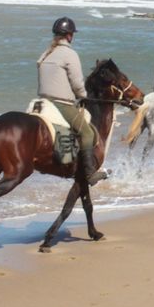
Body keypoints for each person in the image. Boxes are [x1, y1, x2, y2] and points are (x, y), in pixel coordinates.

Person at [36, 17, 107, 185]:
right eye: (72, 34)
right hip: (60, 104)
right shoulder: (69, 54)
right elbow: (77, 84)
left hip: (42, 102)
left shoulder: (46, 53)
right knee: (87, 133)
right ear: (69, 35)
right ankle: (90, 174)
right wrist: (83, 95)